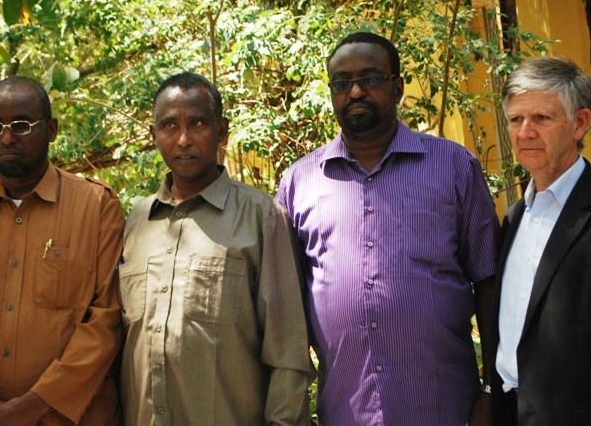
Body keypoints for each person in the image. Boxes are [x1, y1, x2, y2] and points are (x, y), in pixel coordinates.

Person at [276, 32, 500, 425]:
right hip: (345, 411)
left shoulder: (454, 167)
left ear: (397, 87)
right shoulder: (299, 182)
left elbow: (489, 280)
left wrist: (492, 389)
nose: (356, 91)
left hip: (444, 408)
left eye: (371, 78)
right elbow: (285, 302)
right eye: (342, 83)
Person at [119, 72, 313, 425]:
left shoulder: (261, 216)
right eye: (169, 126)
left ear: (221, 130)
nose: (183, 140)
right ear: (153, 135)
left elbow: (288, 353)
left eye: (197, 124)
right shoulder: (137, 221)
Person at [0, 76, 125, 425]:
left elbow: (107, 319)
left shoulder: (96, 206)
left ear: (51, 129)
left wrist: (35, 404)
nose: (6, 138)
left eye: (21, 125)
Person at [489, 57, 591, 425]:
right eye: (515, 119)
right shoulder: (515, 216)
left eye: (541, 118)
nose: (525, 132)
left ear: (579, 123)